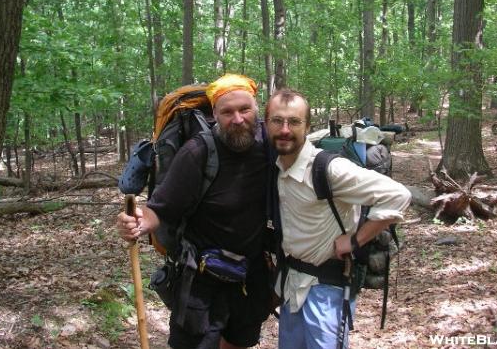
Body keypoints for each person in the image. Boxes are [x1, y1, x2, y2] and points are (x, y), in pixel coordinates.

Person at [116, 74, 271, 349]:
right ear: (215, 114)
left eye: (244, 110)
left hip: (250, 277)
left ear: (256, 108)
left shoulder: (270, 146)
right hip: (202, 282)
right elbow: (161, 209)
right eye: (227, 112)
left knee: (238, 343)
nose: (237, 119)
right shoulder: (197, 152)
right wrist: (139, 221)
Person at [265, 88, 411, 349]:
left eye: (294, 121)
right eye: (277, 120)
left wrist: (356, 240)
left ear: (307, 126)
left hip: (327, 292)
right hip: (291, 287)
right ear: (266, 125)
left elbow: (398, 195)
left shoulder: (329, 169)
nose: (285, 129)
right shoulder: (277, 166)